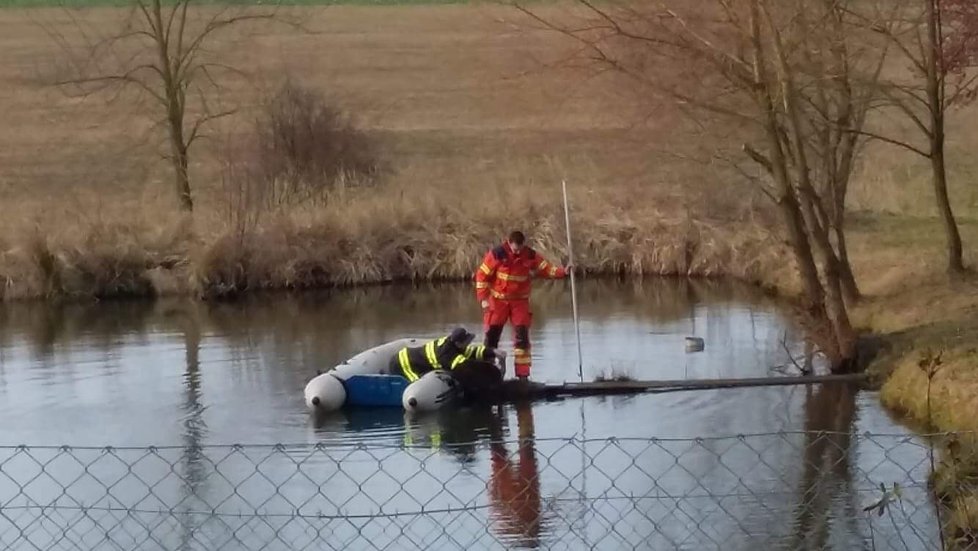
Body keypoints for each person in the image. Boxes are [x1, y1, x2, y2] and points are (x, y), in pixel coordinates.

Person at [474, 230, 572, 380]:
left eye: (520, 249)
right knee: (491, 337)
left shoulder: (530, 255)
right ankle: (486, 372)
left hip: (519, 302)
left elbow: (546, 268)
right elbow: (481, 275)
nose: (517, 252)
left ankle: (523, 375)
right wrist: (483, 298)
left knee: (522, 339)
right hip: (498, 301)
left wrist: (563, 272)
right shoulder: (497, 254)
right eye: (515, 249)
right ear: (509, 243)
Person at [388, 327, 506, 383]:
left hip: (409, 357)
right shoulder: (447, 354)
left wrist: (493, 352)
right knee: (415, 384)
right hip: (404, 364)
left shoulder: (453, 343)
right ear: (459, 343)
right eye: (467, 341)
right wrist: (491, 371)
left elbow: (473, 352)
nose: (469, 343)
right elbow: (466, 366)